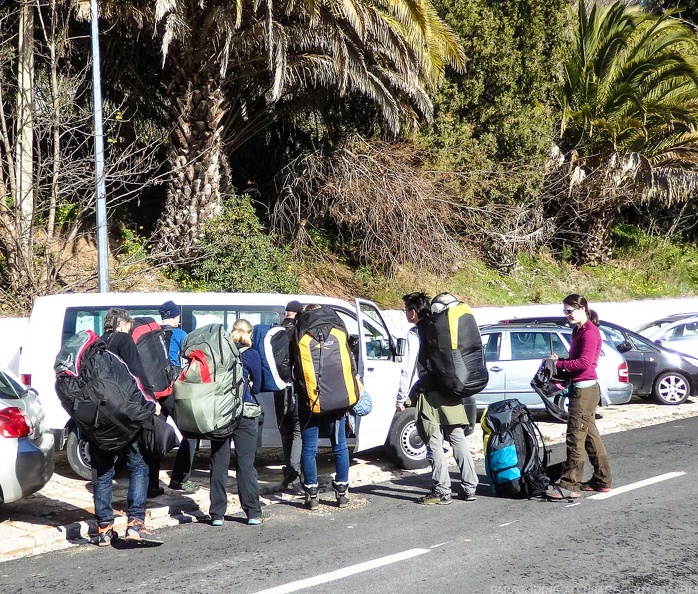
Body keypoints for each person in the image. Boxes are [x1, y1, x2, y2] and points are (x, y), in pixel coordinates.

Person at [413, 292, 479, 505]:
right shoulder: (445, 328)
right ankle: (470, 487)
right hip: (451, 388)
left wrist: (404, 394)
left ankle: (442, 490)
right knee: (457, 438)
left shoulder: (419, 332)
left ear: (413, 311)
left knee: (433, 441)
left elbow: (410, 368)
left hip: (430, 393)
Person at [546, 294, 612, 500]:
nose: (567, 315)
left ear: (582, 308)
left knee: (575, 437)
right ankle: (602, 480)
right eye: (565, 312)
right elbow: (577, 360)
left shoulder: (590, 333)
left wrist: (559, 365)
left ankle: (569, 485)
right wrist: (563, 360)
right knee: (591, 437)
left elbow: (583, 364)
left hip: (585, 391)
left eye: (569, 311)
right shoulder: (578, 330)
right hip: (581, 389)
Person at [208, 319, 268, 526]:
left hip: (221, 414)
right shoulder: (251, 354)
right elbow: (258, 386)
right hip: (245, 413)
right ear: (249, 334)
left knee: (219, 463)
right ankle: (252, 512)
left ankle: (217, 514)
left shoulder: (220, 351)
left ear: (231, 332)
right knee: (245, 464)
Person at [294, 304, 352, 511]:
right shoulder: (338, 328)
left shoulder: (299, 331)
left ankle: (312, 496)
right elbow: (350, 365)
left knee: (309, 448)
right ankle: (342, 494)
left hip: (309, 400)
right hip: (337, 399)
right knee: (340, 446)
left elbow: (288, 365)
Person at [158, 300, 199, 495]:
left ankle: (150, 484)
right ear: (176, 316)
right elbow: (193, 356)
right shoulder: (180, 334)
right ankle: (179, 479)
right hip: (173, 390)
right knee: (190, 434)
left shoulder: (153, 334)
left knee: (154, 437)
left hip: (154, 392)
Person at [275, 300, 303, 491]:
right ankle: (294, 476)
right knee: (298, 431)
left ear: (286, 313)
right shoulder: (299, 333)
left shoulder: (275, 332)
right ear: (298, 314)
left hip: (278, 388)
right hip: (294, 388)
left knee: (285, 430)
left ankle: (287, 476)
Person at [395, 292, 430, 412]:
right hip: (446, 383)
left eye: (406, 310)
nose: (405, 313)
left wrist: (401, 398)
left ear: (413, 313)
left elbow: (408, 367)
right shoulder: (436, 327)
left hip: (428, 386)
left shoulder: (415, 333)